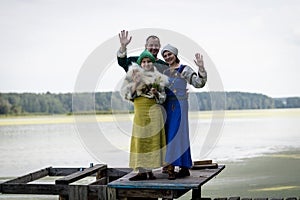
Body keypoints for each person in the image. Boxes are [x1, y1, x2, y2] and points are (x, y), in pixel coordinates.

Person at [120, 50, 169, 181]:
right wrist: (136, 83)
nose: (146, 64)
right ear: (140, 63)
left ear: (152, 63)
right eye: (144, 61)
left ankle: (150, 170)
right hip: (140, 110)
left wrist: (156, 93)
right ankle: (141, 171)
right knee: (140, 139)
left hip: (154, 110)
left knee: (153, 140)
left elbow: (163, 98)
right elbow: (126, 95)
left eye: (149, 61)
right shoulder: (133, 74)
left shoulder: (159, 77)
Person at [161, 44, 207, 180]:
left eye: (169, 54)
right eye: (165, 55)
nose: (167, 57)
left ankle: (171, 167)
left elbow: (199, 83)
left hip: (180, 104)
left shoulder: (184, 69)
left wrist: (201, 68)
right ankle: (184, 167)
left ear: (175, 54)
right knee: (171, 133)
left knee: (178, 133)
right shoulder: (164, 72)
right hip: (167, 104)